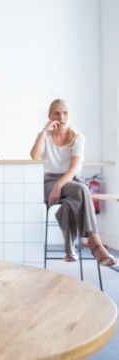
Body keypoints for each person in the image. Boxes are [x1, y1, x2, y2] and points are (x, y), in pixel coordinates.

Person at [30, 99, 116, 266]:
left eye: (65, 113)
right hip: (49, 181)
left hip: (70, 180)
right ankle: (96, 245)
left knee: (74, 198)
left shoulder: (77, 137)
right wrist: (43, 131)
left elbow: (73, 168)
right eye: (57, 113)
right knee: (82, 191)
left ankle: (70, 248)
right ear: (50, 116)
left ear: (70, 116)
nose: (61, 117)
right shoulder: (45, 136)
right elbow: (34, 155)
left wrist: (59, 186)